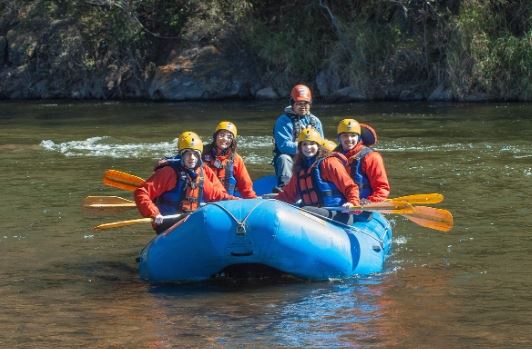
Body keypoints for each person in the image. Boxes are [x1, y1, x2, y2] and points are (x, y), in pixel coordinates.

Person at [135, 131, 238, 234]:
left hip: (190, 222)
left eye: (195, 154)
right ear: (181, 155)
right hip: (168, 224)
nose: (192, 158)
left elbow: (216, 195)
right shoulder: (169, 172)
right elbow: (141, 192)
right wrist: (154, 213)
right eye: (188, 153)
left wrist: (237, 201)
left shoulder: (200, 173)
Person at [275, 128, 361, 224]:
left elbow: (350, 187)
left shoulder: (329, 163)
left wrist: (352, 202)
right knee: (298, 209)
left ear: (318, 146)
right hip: (313, 212)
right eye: (305, 144)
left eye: (312, 144)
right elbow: (288, 195)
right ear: (300, 147)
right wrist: (270, 202)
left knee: (304, 210)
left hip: (338, 214)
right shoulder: (300, 169)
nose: (308, 147)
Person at [272, 84, 323, 192]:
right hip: (292, 159)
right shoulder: (283, 121)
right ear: (292, 104)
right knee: (283, 158)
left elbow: (321, 144)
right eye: (299, 103)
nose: (303, 106)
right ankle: (284, 188)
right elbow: (284, 146)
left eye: (306, 103)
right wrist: (304, 148)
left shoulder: (315, 121)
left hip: (311, 157)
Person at [335, 118, 390, 204]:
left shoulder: (371, 157)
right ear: (339, 138)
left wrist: (369, 202)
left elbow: (382, 187)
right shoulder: (333, 158)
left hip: (363, 206)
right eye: (345, 135)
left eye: (353, 135)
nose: (349, 139)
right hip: (341, 206)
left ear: (359, 137)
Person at [202, 121, 257, 199]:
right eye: (222, 135)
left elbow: (245, 185)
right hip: (202, 200)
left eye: (229, 137)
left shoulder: (236, 159)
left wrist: (252, 199)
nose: (225, 139)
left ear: (232, 141)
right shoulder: (201, 154)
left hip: (225, 202)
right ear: (215, 136)